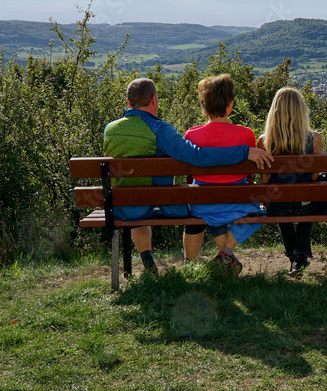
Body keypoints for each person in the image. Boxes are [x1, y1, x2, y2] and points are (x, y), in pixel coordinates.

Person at [103, 77, 273, 275]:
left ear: (128, 102)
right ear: (154, 100)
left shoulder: (110, 129)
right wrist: (244, 152)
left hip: (123, 207)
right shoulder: (160, 129)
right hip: (160, 204)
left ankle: (148, 259)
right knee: (186, 204)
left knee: (138, 199)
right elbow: (196, 156)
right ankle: (218, 257)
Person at [183, 74, 265, 275]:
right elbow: (249, 175)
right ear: (230, 104)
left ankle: (190, 266)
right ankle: (226, 254)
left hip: (202, 203)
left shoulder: (191, 135)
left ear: (204, 105)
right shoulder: (246, 134)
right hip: (238, 202)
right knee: (260, 214)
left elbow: (189, 175)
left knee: (212, 213)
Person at [257, 87, 323, 276]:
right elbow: (314, 177)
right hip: (306, 205)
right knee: (309, 198)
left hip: (277, 206)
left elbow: (265, 180)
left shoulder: (264, 141)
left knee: (278, 199)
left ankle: (296, 259)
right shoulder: (314, 139)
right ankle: (300, 256)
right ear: (301, 110)